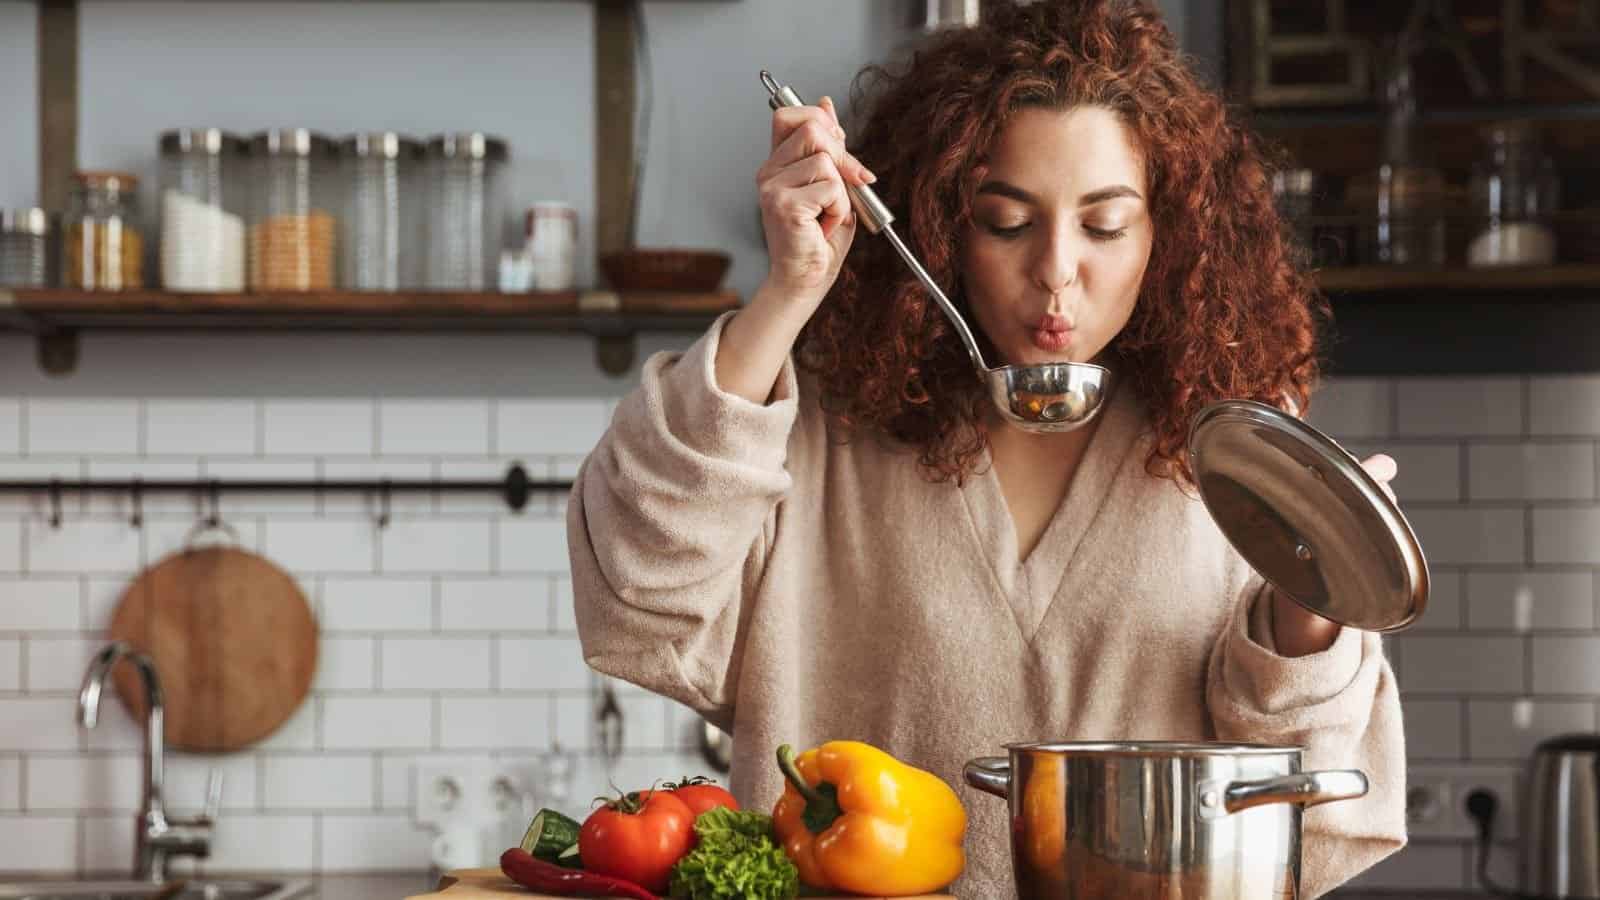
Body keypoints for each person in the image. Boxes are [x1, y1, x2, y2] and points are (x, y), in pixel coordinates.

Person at [567, 1, 1406, 896]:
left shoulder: (1239, 452)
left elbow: (1302, 806)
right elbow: (641, 601)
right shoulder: (819, 427)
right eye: (1006, 222)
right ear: (940, 229)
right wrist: (787, 294)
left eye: (1105, 226)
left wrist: (1312, 603)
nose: (1055, 269)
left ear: (1170, 237)